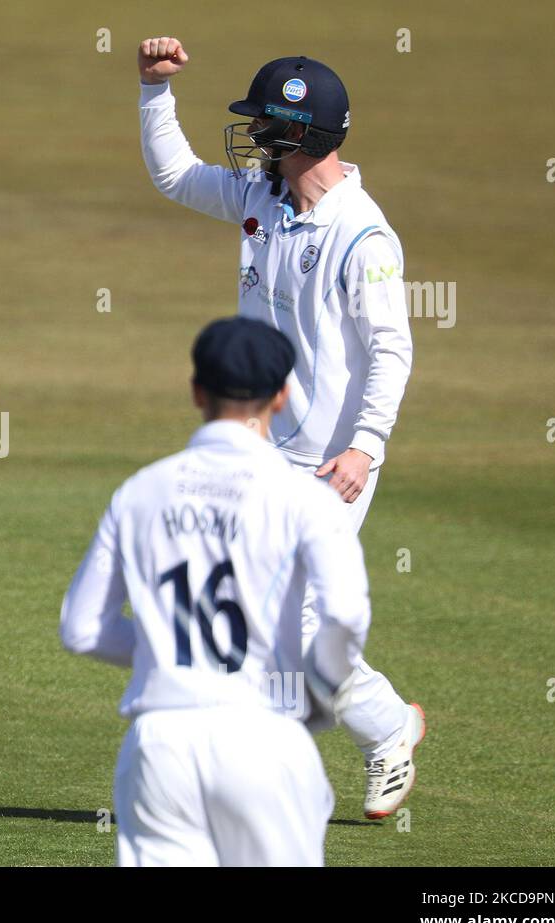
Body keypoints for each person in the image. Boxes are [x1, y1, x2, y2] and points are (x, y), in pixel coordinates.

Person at [135, 36, 423, 818]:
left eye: (265, 126)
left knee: (300, 629)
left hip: (333, 463)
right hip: (261, 453)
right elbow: (175, 175)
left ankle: (388, 730)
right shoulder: (264, 199)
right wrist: (154, 90)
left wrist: (367, 446)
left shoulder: (362, 237)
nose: (254, 139)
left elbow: (393, 349)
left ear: (303, 135)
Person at [61, 316, 415, 865]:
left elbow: (82, 630)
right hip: (264, 737)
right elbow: (342, 616)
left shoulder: (140, 491)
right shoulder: (305, 501)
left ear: (196, 391)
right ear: (282, 396)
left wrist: (175, 654)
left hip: (159, 747)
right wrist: (317, 686)